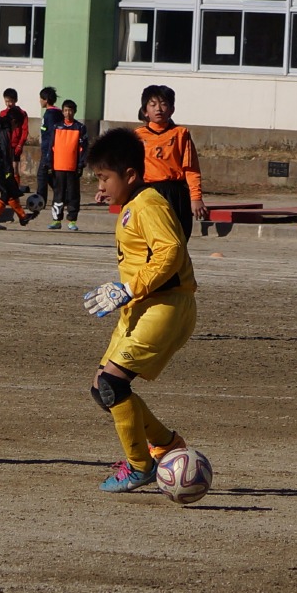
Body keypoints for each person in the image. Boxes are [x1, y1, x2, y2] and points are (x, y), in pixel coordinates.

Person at [81, 126, 196, 494]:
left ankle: (140, 466)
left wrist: (128, 288)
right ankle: (166, 444)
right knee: (101, 388)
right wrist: (125, 292)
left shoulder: (149, 204)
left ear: (130, 175)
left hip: (165, 305)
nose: (100, 186)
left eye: (104, 178)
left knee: (113, 385)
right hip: (140, 307)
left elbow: (171, 251)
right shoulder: (133, 205)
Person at [134, 85, 207, 239]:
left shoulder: (181, 133)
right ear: (145, 111)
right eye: (153, 105)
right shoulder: (137, 136)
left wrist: (196, 198)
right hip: (148, 191)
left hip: (175, 193)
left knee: (178, 237)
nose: (158, 109)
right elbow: (128, 169)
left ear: (172, 109)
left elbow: (191, 168)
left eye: (163, 104)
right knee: (151, 237)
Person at [0, 109, 35, 230]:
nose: (16, 128)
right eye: (17, 125)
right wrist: (8, 171)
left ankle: (23, 216)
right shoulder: (4, 130)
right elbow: (5, 151)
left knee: (10, 189)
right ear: (14, 121)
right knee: (5, 192)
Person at [48, 99, 87, 231]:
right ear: (62, 112)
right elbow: (51, 146)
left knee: (73, 194)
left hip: (72, 167)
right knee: (58, 194)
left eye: (70, 110)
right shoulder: (56, 127)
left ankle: (72, 220)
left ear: (74, 112)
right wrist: (49, 163)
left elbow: (83, 148)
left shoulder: (80, 127)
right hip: (58, 166)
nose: (68, 113)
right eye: (65, 110)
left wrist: (81, 164)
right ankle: (56, 220)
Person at [36, 86, 64, 211]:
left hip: (49, 150)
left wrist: (48, 152)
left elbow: (52, 134)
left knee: (42, 175)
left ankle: (40, 200)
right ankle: (62, 196)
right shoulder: (53, 113)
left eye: (41, 98)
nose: (39, 101)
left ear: (46, 100)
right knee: (50, 176)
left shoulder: (51, 114)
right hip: (48, 149)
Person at [0, 88, 30, 183]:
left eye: (11, 101)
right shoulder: (3, 113)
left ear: (16, 100)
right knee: (5, 168)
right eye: (6, 101)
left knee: (15, 167)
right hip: (5, 144)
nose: (8, 104)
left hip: (15, 145)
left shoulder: (22, 113)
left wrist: (20, 144)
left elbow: (25, 130)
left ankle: (16, 187)